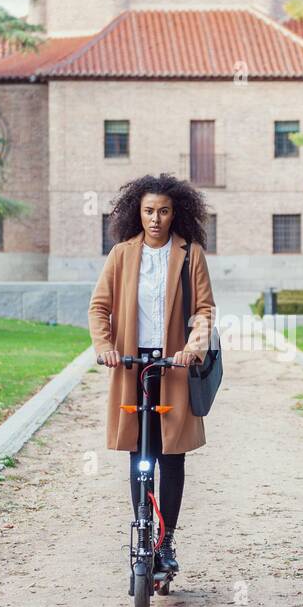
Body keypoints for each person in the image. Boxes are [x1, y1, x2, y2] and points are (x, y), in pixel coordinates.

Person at [88, 174, 216, 574]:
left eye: (163, 211)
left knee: (172, 455)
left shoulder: (190, 253)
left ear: (175, 212)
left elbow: (204, 311)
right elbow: (99, 308)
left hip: (173, 366)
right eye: (148, 211)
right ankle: (143, 530)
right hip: (131, 365)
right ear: (136, 213)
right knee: (138, 450)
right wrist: (106, 348)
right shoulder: (121, 255)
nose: (156, 219)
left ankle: (167, 541)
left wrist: (192, 350)